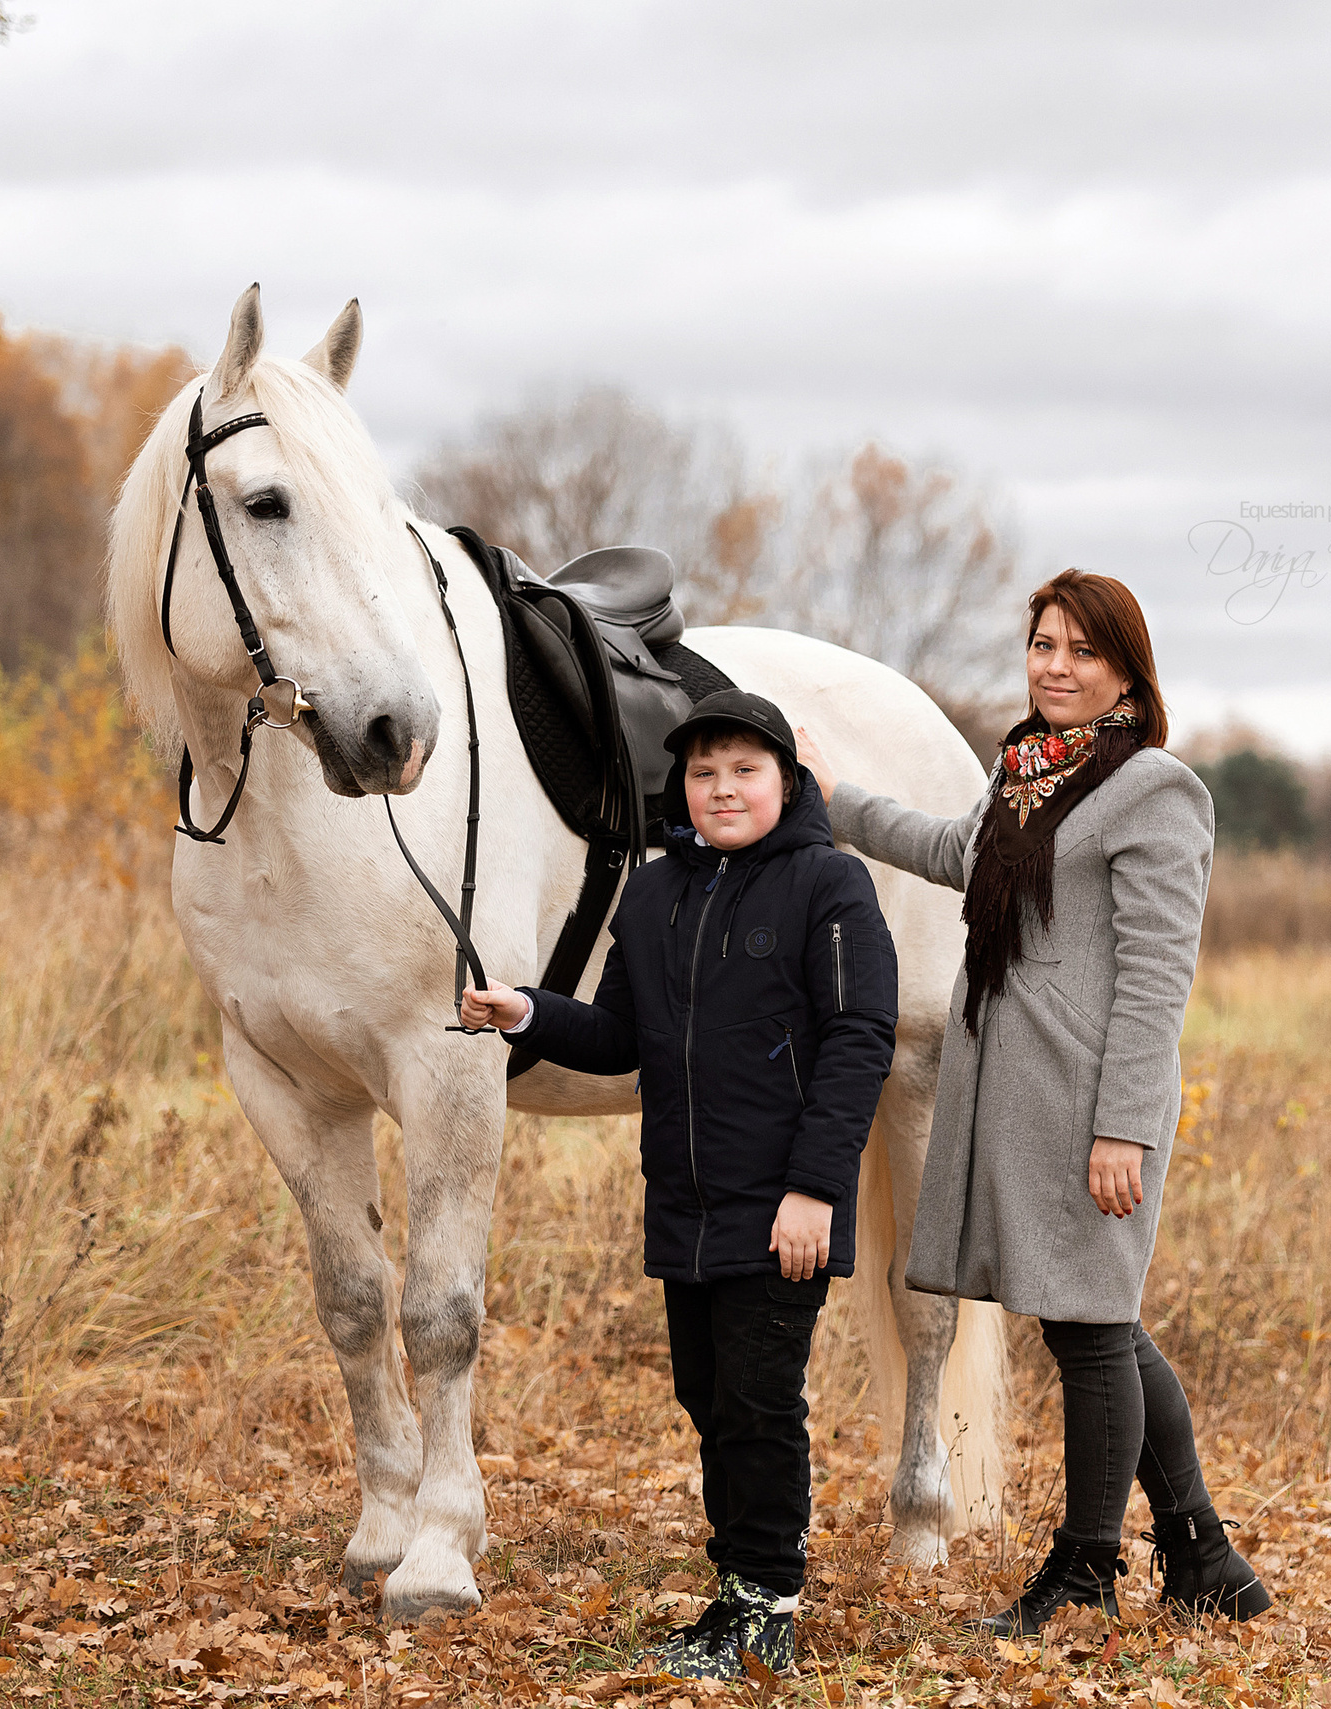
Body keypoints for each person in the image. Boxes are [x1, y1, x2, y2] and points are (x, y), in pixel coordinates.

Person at [798, 570, 1269, 1631]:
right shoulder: (1023, 773)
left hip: (1087, 1101)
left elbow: (1156, 978)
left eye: (1082, 651)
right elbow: (950, 853)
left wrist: (1124, 1128)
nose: (1055, 666)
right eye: (1043, 645)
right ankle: (1203, 1553)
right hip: (1014, 1094)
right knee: (1097, 1323)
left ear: (1126, 674)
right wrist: (833, 798)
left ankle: (1085, 1569)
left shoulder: (1154, 791)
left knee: (1091, 1332)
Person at [458, 689, 899, 1680]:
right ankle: (733, 1592)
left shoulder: (830, 884)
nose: (723, 788)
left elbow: (859, 1040)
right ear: (682, 787)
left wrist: (814, 1191)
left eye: (745, 769)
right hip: (686, 1204)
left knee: (759, 1400)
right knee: (708, 1396)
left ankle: (766, 1607)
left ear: (786, 780)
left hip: (783, 1206)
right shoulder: (653, 895)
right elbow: (619, 1036)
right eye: (704, 772)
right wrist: (527, 1011)